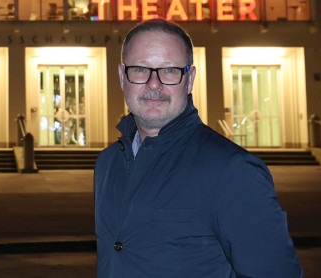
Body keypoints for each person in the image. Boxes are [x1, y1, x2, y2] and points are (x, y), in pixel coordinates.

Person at [94, 18, 302, 277]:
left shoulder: (233, 170)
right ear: (122, 78)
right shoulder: (107, 164)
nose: (154, 84)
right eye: (140, 69)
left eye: (169, 70)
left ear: (189, 79)